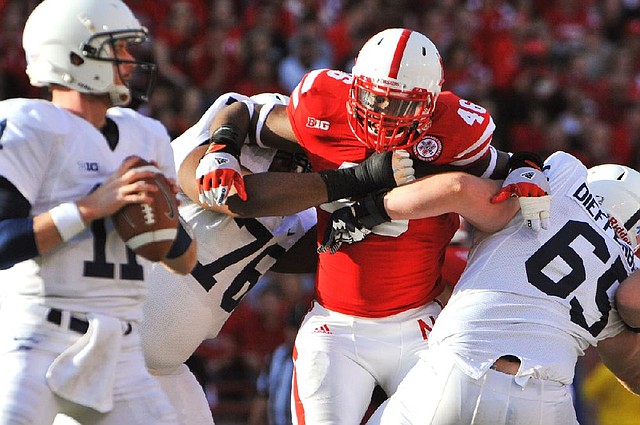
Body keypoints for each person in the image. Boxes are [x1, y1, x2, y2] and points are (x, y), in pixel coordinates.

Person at [185, 27, 550, 424]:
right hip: (335, 327)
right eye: (375, 97)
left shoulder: (453, 129)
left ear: (430, 104)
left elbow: (507, 163)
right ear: (355, 84)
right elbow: (245, 112)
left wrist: (527, 168)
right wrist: (221, 147)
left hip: (421, 327)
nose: (384, 114)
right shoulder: (324, 105)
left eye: (402, 106)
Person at [136, 91, 412, 425]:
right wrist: (355, 179)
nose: (295, 170)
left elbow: (327, 251)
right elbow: (234, 198)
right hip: (107, 336)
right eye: (287, 156)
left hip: (166, 368)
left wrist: (378, 214)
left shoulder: (294, 218)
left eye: (304, 162)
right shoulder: (209, 155)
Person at [0, 0, 197, 424]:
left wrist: (158, 225)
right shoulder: (28, 124)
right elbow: (1, 242)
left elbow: (184, 261)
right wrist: (91, 208)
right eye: (118, 49)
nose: (130, 62)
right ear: (74, 56)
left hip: (122, 349)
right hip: (36, 340)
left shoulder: (145, 135)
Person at [351, 152, 640, 424]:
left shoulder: (564, 175)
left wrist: (368, 209)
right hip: (544, 399)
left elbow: (457, 186)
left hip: (460, 367)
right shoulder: (626, 275)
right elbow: (632, 371)